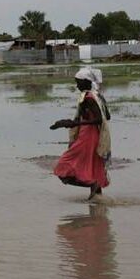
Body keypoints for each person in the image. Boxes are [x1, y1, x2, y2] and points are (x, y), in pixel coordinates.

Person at [51, 68, 111, 201]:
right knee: (92, 167)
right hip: (96, 136)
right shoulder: (98, 96)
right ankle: (96, 210)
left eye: (78, 82)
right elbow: (107, 116)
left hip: (87, 137)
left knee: (62, 168)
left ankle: (92, 184)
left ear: (86, 81)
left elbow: (99, 119)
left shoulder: (88, 98)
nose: (77, 85)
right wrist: (70, 122)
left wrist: (76, 124)